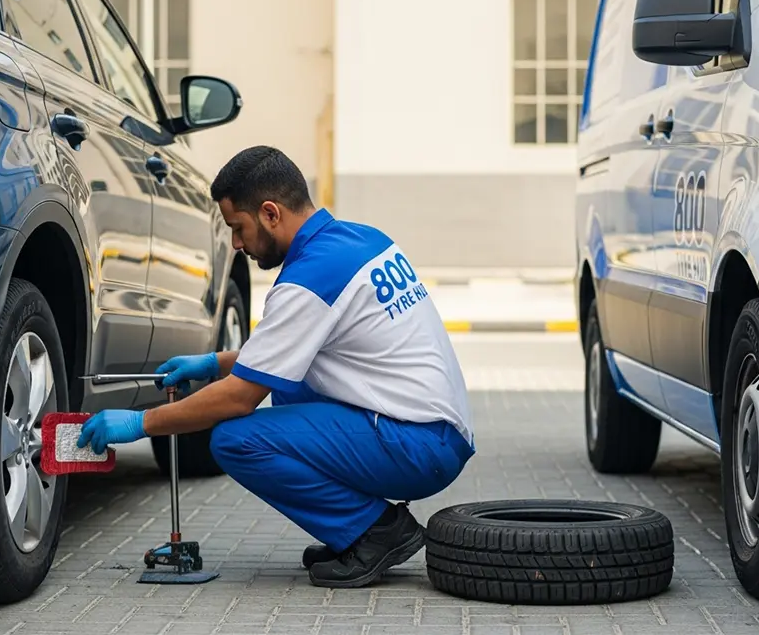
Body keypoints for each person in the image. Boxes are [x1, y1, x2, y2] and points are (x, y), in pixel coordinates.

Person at [76, 145, 475, 588]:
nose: (237, 244)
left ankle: (375, 530)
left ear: (269, 213)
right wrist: (212, 363)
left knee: (234, 439)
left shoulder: (308, 279)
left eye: (238, 228)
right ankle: (359, 527)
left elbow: (239, 398)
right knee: (287, 387)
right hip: (435, 431)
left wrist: (141, 422)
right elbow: (289, 350)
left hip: (417, 444)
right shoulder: (360, 239)